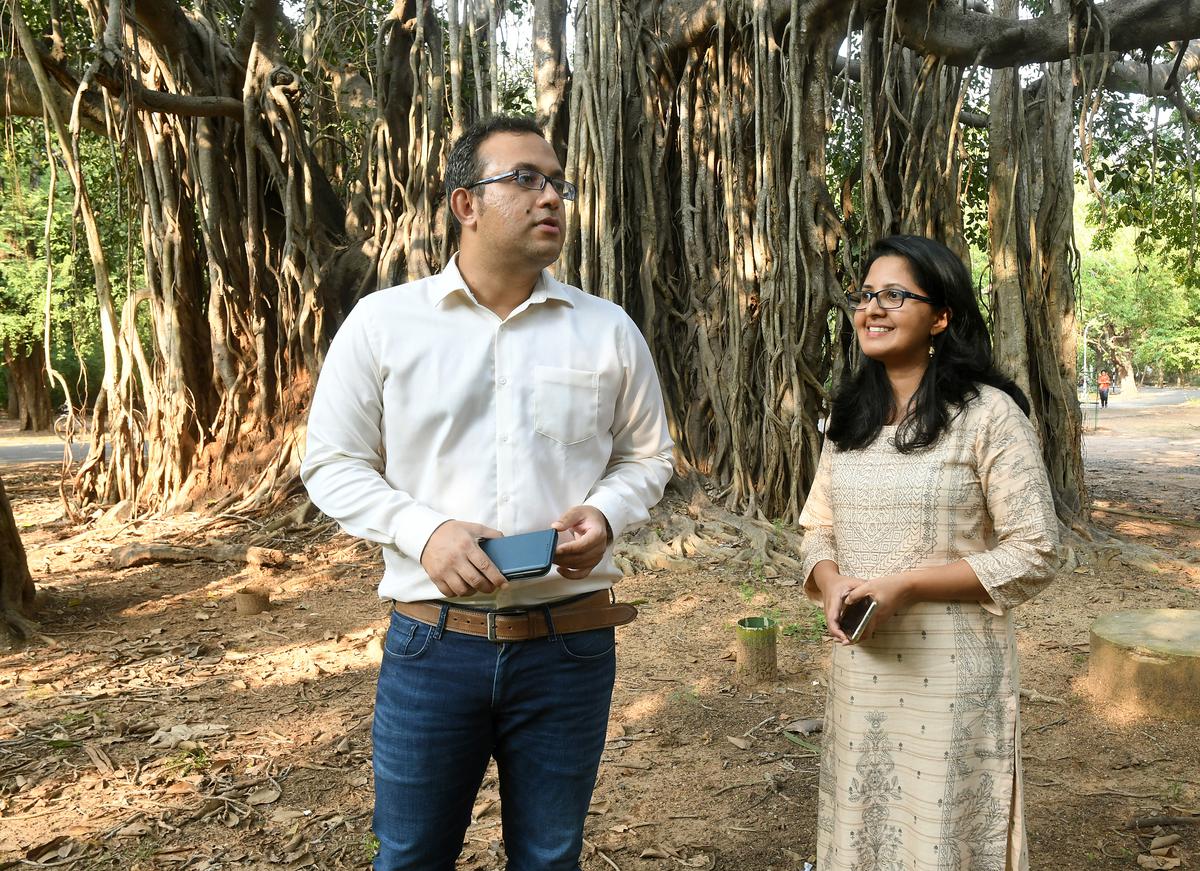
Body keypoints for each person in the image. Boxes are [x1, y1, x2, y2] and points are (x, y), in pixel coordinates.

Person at [301, 115, 674, 871]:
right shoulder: (383, 324)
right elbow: (331, 462)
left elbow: (648, 456)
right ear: (464, 203)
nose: (552, 198)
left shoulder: (606, 331)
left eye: (559, 184)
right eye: (527, 179)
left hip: (569, 645)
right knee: (410, 854)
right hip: (433, 643)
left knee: (548, 854)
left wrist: (604, 513)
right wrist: (423, 531)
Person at [798, 235, 1060, 871]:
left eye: (895, 295)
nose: (873, 309)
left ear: (940, 317)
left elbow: (1036, 549)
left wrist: (908, 585)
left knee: (941, 829)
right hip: (862, 667)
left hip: (953, 673)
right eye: (865, 296)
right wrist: (830, 582)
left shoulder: (989, 414)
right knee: (866, 819)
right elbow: (816, 527)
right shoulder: (849, 415)